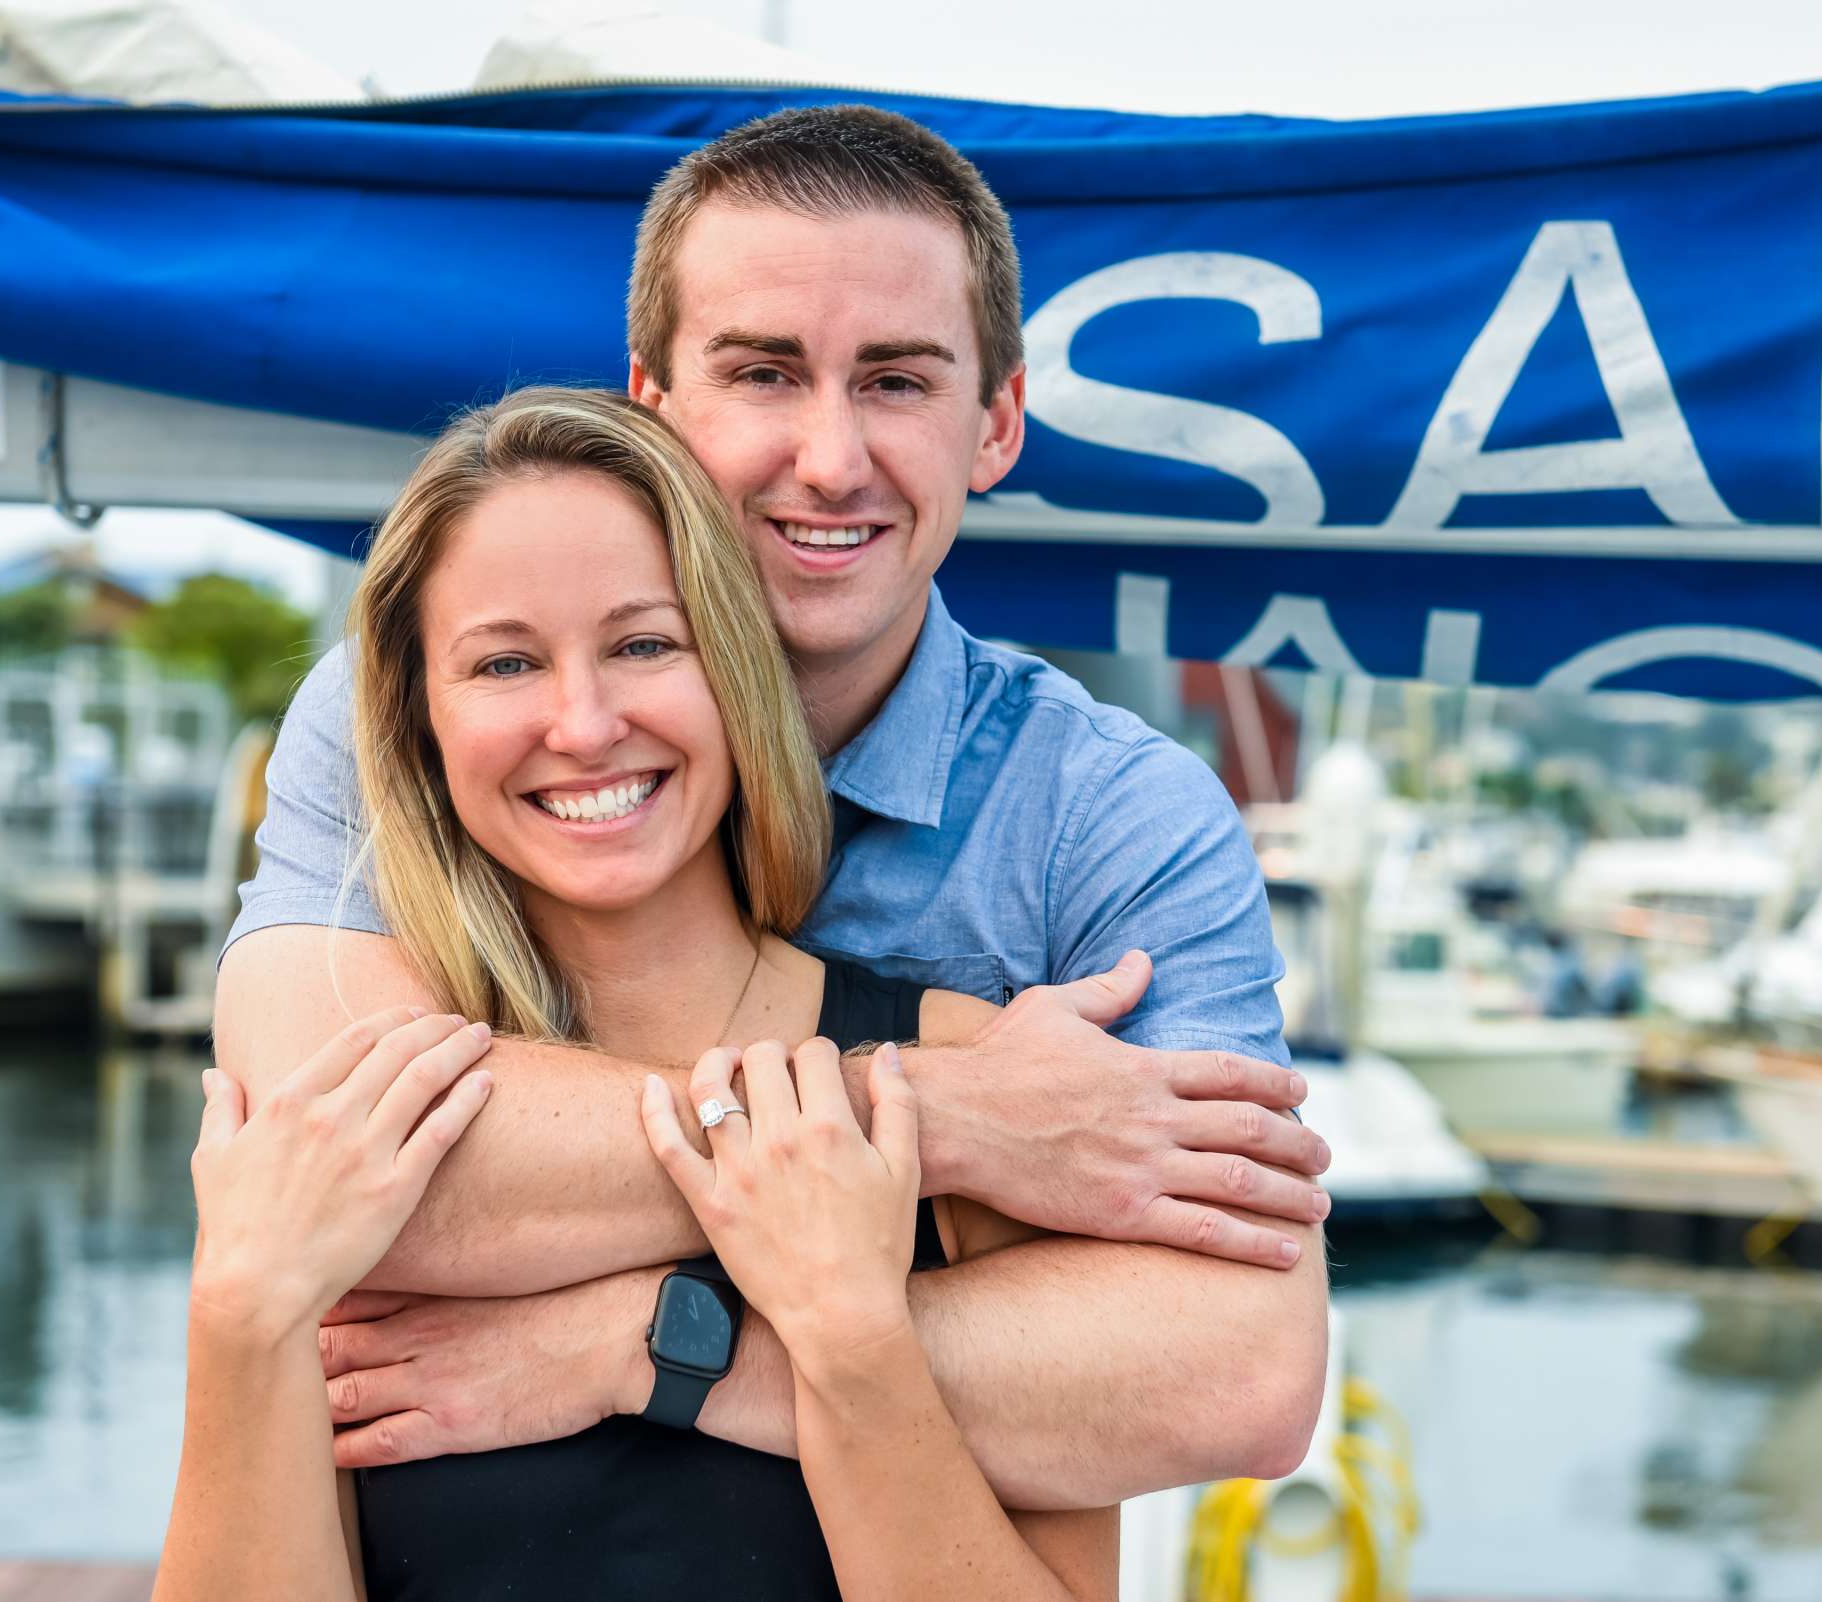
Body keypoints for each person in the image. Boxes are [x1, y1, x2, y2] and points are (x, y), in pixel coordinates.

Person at [216, 104, 1330, 1516]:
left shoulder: (1109, 819)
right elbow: (340, 1165)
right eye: (762, 373)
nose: (828, 457)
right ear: (655, 404)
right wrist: (941, 1112)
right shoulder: (427, 708)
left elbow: (1234, 1370)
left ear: (995, 423)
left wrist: (636, 1348)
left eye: (897, 381)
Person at [164, 387, 1115, 1598]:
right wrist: (240, 1316)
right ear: (419, 723)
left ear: (739, 669)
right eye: (505, 662)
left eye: (644, 644)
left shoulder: (979, 1084)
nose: (585, 722)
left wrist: (852, 1345)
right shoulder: (369, 1134)